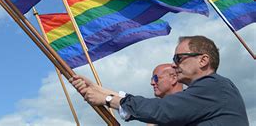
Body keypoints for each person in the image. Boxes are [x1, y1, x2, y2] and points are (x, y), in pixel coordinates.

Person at [70, 35, 249, 125]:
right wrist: (97, 89)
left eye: (179, 58)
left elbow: (161, 109)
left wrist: (108, 99)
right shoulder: (207, 93)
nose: (175, 64)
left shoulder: (214, 87)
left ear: (203, 60)